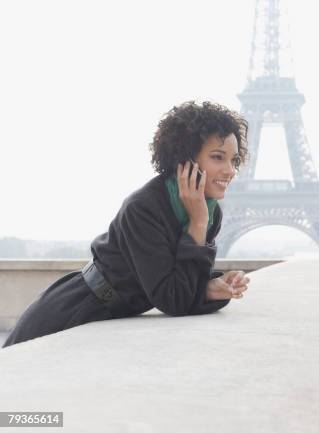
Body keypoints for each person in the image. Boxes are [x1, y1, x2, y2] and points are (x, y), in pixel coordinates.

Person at [2, 101, 250, 348]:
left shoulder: (209, 212)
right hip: (76, 309)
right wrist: (197, 223)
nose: (229, 170)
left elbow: (183, 288)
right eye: (218, 157)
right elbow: (173, 299)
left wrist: (210, 287)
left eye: (234, 160)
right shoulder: (144, 208)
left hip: (112, 317)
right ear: (185, 160)